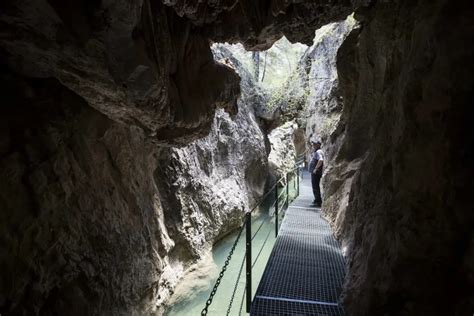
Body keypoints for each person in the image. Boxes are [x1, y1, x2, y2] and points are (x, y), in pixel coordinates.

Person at [309, 139, 324, 207]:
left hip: (316, 173)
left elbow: (320, 160)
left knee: (315, 187)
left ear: (318, 145)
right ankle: (317, 200)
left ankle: (318, 202)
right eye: (313, 144)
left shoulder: (318, 152)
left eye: (315, 144)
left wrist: (315, 169)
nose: (313, 145)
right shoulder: (318, 151)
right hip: (316, 172)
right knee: (315, 186)